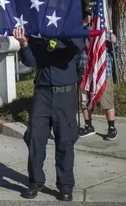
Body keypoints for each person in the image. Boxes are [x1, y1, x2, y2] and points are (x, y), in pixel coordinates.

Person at [13, 26, 84, 202]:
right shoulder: (38, 36)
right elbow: (29, 61)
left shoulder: (72, 31)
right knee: (35, 139)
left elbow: (77, 48)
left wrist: (59, 33)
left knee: (65, 141)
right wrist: (23, 43)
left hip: (65, 95)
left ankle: (65, 186)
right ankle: (35, 182)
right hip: (42, 94)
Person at [78, 13, 120, 140]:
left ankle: (112, 128)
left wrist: (115, 42)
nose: (91, 18)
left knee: (107, 101)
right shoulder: (81, 33)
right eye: (88, 16)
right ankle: (88, 126)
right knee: (85, 101)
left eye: (93, 16)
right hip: (85, 72)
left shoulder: (106, 33)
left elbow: (115, 51)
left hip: (103, 73)